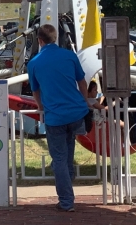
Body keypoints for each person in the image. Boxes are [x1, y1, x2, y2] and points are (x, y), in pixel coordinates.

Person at [27, 23, 89, 212]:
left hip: (55, 117)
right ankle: (68, 183)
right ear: (55, 38)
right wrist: (85, 102)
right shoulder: (70, 56)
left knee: (59, 159)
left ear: (39, 40)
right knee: (68, 152)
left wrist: (40, 107)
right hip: (77, 113)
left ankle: (66, 200)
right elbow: (82, 82)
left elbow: (35, 91)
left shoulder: (34, 63)